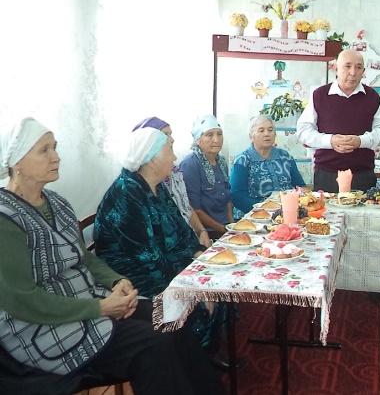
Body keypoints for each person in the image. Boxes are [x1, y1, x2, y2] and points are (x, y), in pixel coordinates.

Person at [0, 117, 223, 395]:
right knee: (154, 344)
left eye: (55, 147)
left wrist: (117, 281)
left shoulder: (57, 203)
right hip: (42, 328)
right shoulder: (5, 218)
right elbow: (23, 301)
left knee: (171, 318)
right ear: (17, 162)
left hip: (89, 301)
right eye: (44, 150)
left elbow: (84, 258)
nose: (56, 157)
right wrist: (101, 308)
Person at [94, 127, 228, 358]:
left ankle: (207, 355)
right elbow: (149, 260)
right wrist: (192, 282)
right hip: (135, 277)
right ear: (152, 160)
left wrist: (201, 257)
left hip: (166, 262)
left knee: (217, 278)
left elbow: (182, 229)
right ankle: (195, 361)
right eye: (169, 150)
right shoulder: (127, 195)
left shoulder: (156, 186)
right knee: (196, 298)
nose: (174, 157)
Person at [296, 49, 380, 192]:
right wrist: (330, 141)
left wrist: (361, 141)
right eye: (347, 66)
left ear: (363, 71)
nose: (353, 72)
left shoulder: (372, 96)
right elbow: (303, 131)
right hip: (327, 174)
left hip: (362, 174)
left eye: (358, 67)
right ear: (336, 68)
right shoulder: (320, 95)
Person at [133, 116, 210, 247]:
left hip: (186, 239)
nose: (172, 139)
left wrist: (201, 231)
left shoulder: (174, 172)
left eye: (170, 134)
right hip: (173, 246)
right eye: (165, 134)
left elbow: (186, 206)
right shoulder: (142, 184)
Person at [230, 114, 306, 215]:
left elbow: (300, 186)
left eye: (270, 130)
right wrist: (266, 209)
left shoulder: (285, 157)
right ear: (251, 136)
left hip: (288, 211)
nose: (267, 134)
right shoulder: (242, 160)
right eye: (261, 130)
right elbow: (237, 196)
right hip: (255, 214)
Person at [180, 115, 233, 236]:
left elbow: (228, 199)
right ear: (198, 139)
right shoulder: (190, 165)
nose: (217, 140)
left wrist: (232, 225)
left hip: (226, 227)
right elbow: (194, 209)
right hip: (206, 232)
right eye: (209, 135)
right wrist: (224, 230)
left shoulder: (221, 162)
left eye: (219, 134)